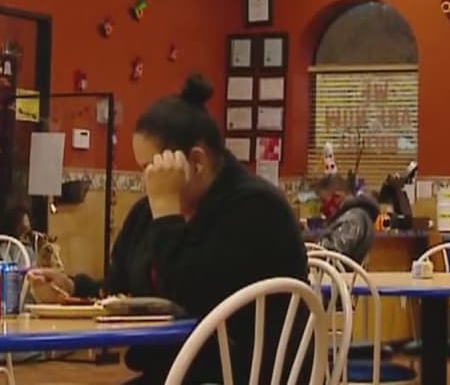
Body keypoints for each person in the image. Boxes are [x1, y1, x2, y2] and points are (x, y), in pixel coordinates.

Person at [27, 75, 308, 384]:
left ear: (196, 162)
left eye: (151, 168)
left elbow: (192, 293)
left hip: (244, 374)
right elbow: (121, 288)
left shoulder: (257, 209)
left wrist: (166, 211)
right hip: (182, 370)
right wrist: (72, 289)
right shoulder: (149, 212)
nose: (147, 181)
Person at [315, 190, 381, 263]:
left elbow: (335, 248)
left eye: (323, 201)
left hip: (336, 268)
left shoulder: (355, 217)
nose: (322, 206)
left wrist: (315, 248)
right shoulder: (358, 215)